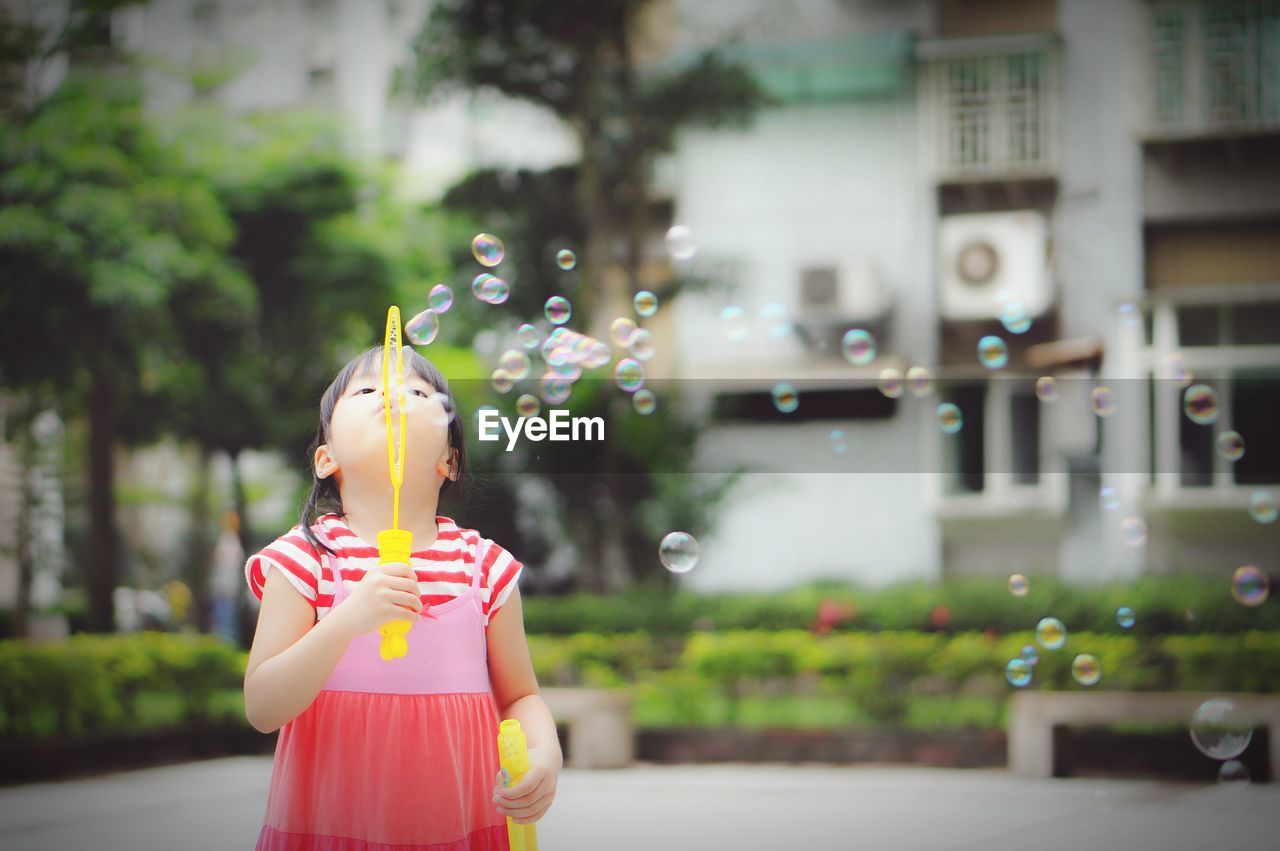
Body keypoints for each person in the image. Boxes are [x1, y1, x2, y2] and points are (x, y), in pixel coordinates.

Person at [243, 345, 562, 850]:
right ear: (327, 458)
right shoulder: (306, 558)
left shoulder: (484, 566)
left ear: (449, 461)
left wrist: (544, 754)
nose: (391, 398)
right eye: (368, 391)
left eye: (416, 393)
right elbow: (263, 706)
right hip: (331, 833)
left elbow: (520, 696)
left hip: (460, 832)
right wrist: (349, 619)